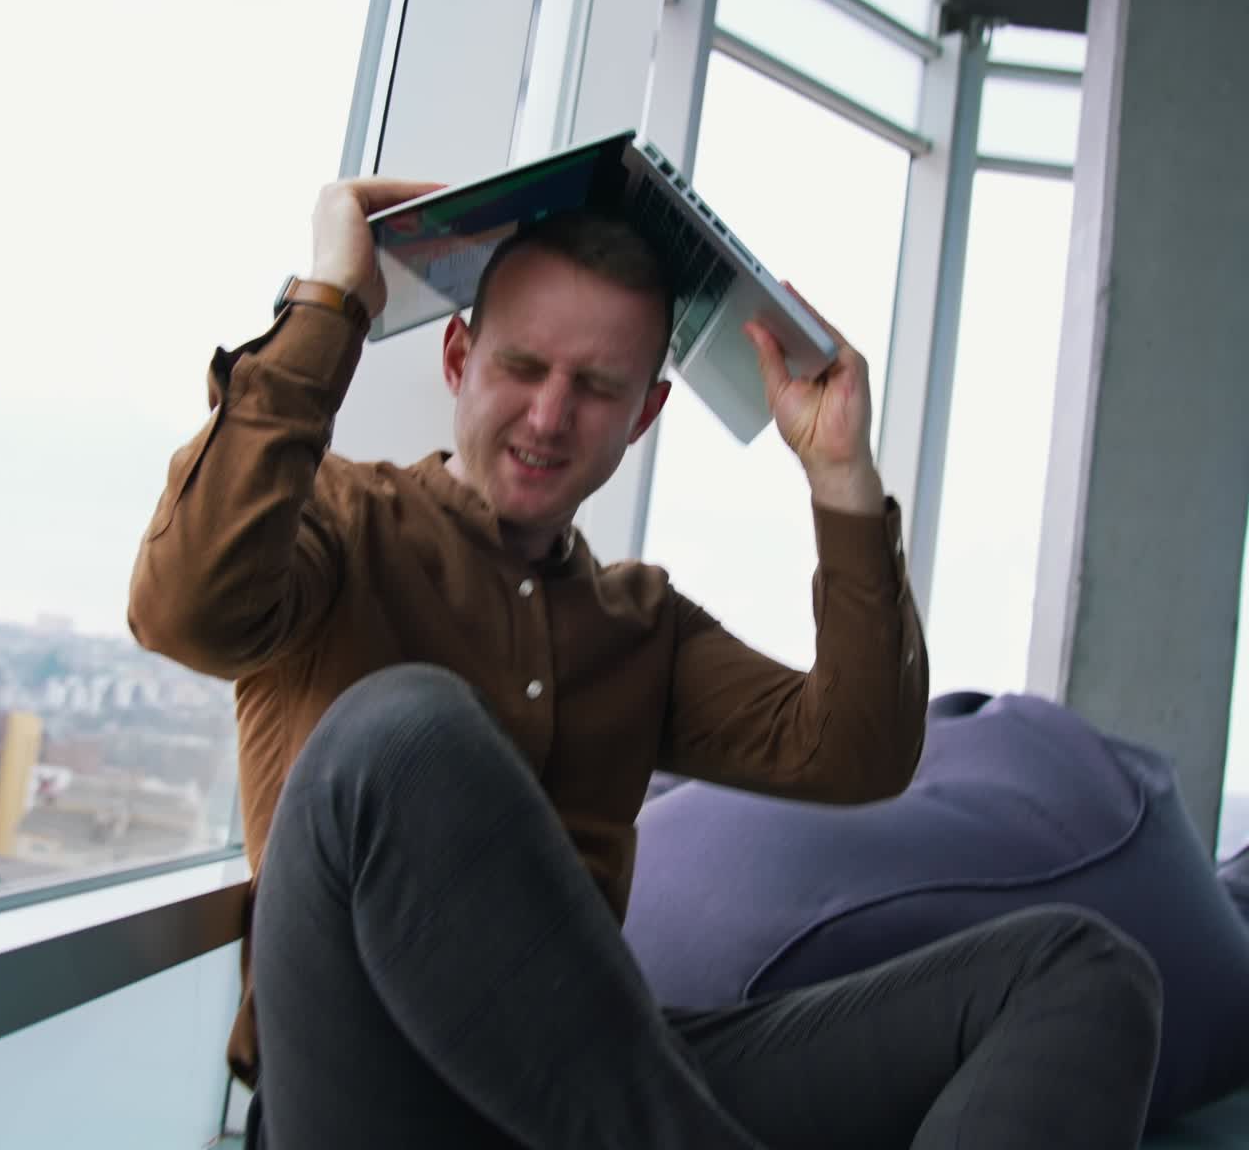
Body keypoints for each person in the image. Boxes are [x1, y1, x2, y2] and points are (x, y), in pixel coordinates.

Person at [128, 177, 1162, 1149]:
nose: (547, 415)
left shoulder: (643, 624)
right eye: (521, 368)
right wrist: (329, 301)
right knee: (401, 731)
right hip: (372, 1085)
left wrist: (840, 475)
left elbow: (861, 751)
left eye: (594, 386)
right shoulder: (336, 522)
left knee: (1081, 966)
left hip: (602, 1086)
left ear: (644, 415)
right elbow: (186, 610)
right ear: (456, 357)